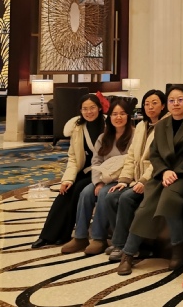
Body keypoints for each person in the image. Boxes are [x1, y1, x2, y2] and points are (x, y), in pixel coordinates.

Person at [116, 85, 183, 277]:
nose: (176, 104)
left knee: (169, 200)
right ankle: (128, 253)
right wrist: (164, 171)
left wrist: (174, 172)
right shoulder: (161, 125)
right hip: (161, 173)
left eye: (180, 100)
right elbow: (154, 154)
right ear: (167, 104)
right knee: (146, 206)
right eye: (172, 100)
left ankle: (178, 248)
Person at [61, 97, 133, 255]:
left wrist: (117, 180)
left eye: (122, 114)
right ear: (110, 116)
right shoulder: (104, 137)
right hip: (105, 178)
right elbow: (96, 161)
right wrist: (98, 182)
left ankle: (99, 238)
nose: (118, 117)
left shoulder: (134, 136)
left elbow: (133, 161)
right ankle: (80, 236)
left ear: (128, 116)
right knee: (86, 192)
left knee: (104, 193)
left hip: (123, 179)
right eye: (114, 114)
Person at [31, 94, 104, 249]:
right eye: (85, 109)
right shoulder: (78, 127)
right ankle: (47, 235)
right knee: (65, 192)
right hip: (85, 170)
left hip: (102, 171)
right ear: (80, 111)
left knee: (78, 190)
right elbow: (73, 157)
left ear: (99, 108)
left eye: (92, 108)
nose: (89, 112)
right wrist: (68, 179)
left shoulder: (107, 125)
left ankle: (65, 234)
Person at [104, 89, 167, 262]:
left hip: (152, 180)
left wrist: (143, 181)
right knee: (111, 197)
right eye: (147, 104)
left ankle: (119, 245)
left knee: (126, 199)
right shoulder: (140, 126)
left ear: (163, 106)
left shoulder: (165, 127)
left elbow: (159, 160)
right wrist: (124, 180)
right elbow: (131, 156)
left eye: (154, 103)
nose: (150, 107)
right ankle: (122, 241)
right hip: (135, 179)